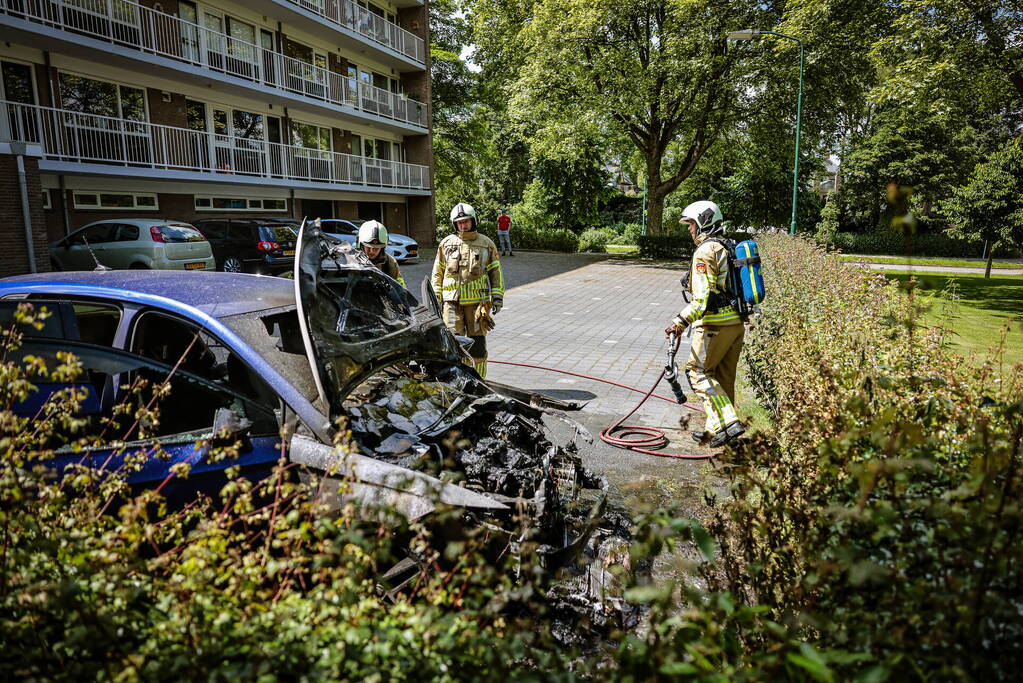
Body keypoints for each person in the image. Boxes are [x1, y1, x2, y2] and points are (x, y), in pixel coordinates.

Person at [664, 200, 745, 448]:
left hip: (714, 325)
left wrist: (679, 321)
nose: (689, 229)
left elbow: (701, 301)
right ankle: (715, 430)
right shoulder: (727, 246)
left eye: (691, 224)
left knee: (697, 373)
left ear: (703, 222)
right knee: (722, 377)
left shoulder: (705, 252)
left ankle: (729, 422)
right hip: (735, 323)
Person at [432, 202, 505, 377]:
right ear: (454, 224)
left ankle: (479, 381)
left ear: (473, 221)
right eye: (459, 223)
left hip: (477, 305)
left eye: (466, 221)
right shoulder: (446, 244)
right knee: (452, 342)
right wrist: (436, 298)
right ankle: (455, 379)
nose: (463, 225)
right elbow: (437, 272)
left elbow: (496, 272)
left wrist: (497, 297)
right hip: (451, 303)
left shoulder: (486, 244)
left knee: (477, 345)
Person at [357, 220, 405, 287]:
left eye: (376, 248)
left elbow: (401, 289)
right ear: (361, 245)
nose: (372, 251)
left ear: (382, 248)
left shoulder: (390, 263)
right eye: (368, 247)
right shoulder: (351, 262)